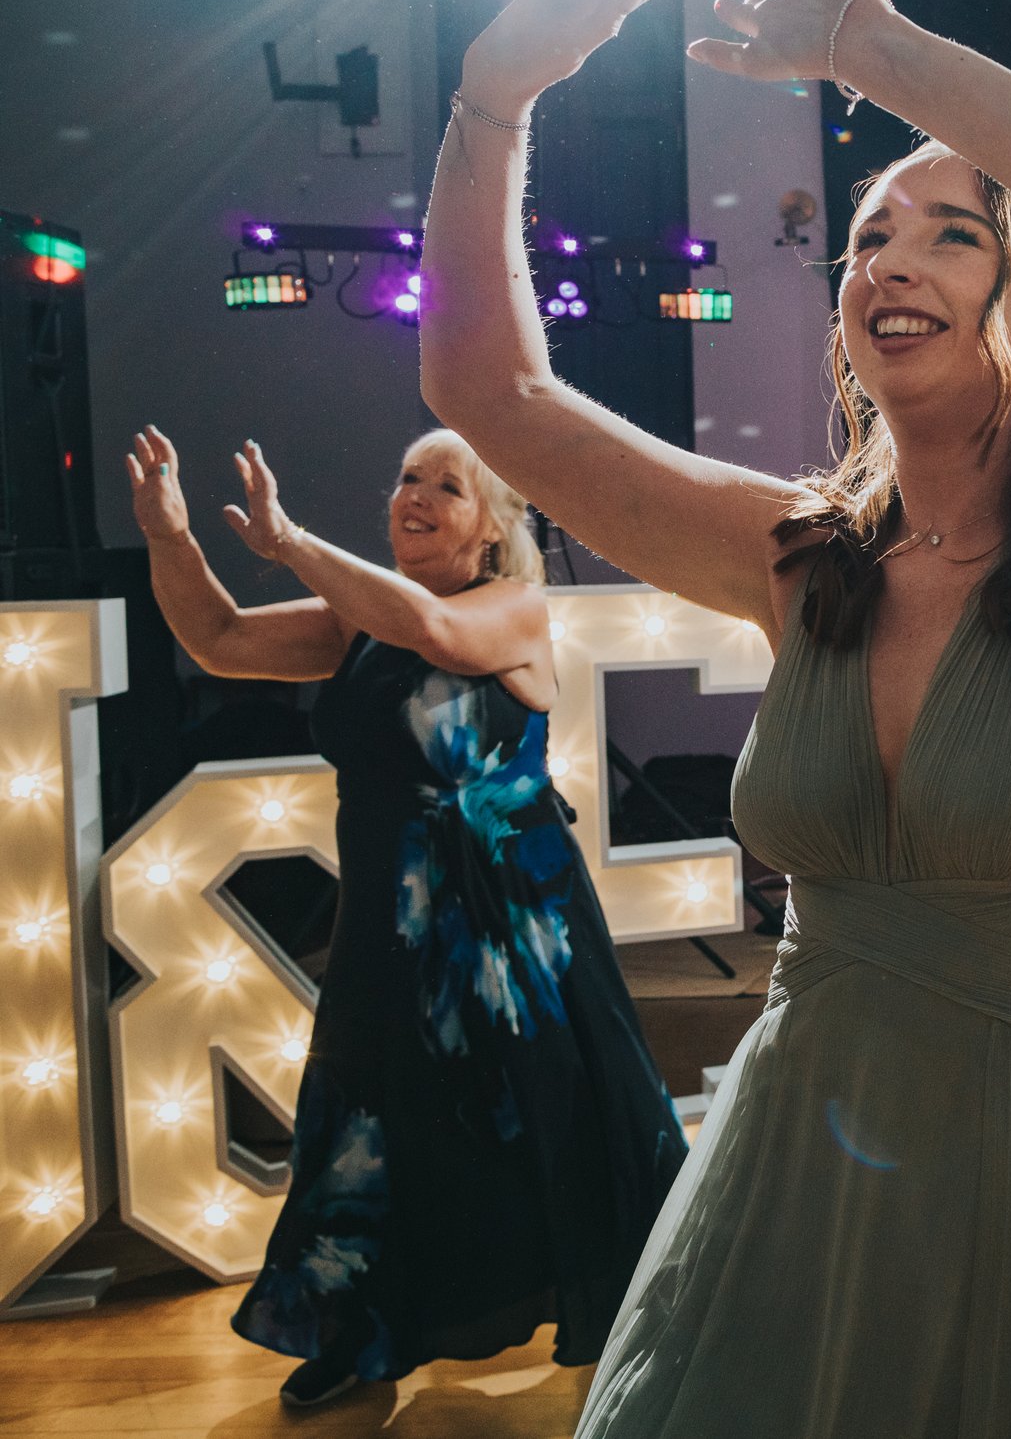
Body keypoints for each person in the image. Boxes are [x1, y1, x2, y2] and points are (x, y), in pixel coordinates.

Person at [417, 0, 1011, 1435]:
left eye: (951, 232)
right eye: (871, 235)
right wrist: (491, 101)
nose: (888, 260)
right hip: (784, 1189)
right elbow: (494, 397)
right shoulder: (798, 560)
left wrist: (874, 52)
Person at [125, 425, 687, 1410]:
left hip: (516, 929)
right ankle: (363, 1326)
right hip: (389, 924)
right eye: (406, 477)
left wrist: (291, 539)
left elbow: (436, 631)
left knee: (557, 1116)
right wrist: (171, 535)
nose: (414, 495)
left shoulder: (512, 606)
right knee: (373, 1122)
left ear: (495, 527)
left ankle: (659, 1311)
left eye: (447, 486)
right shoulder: (357, 621)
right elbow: (216, 638)